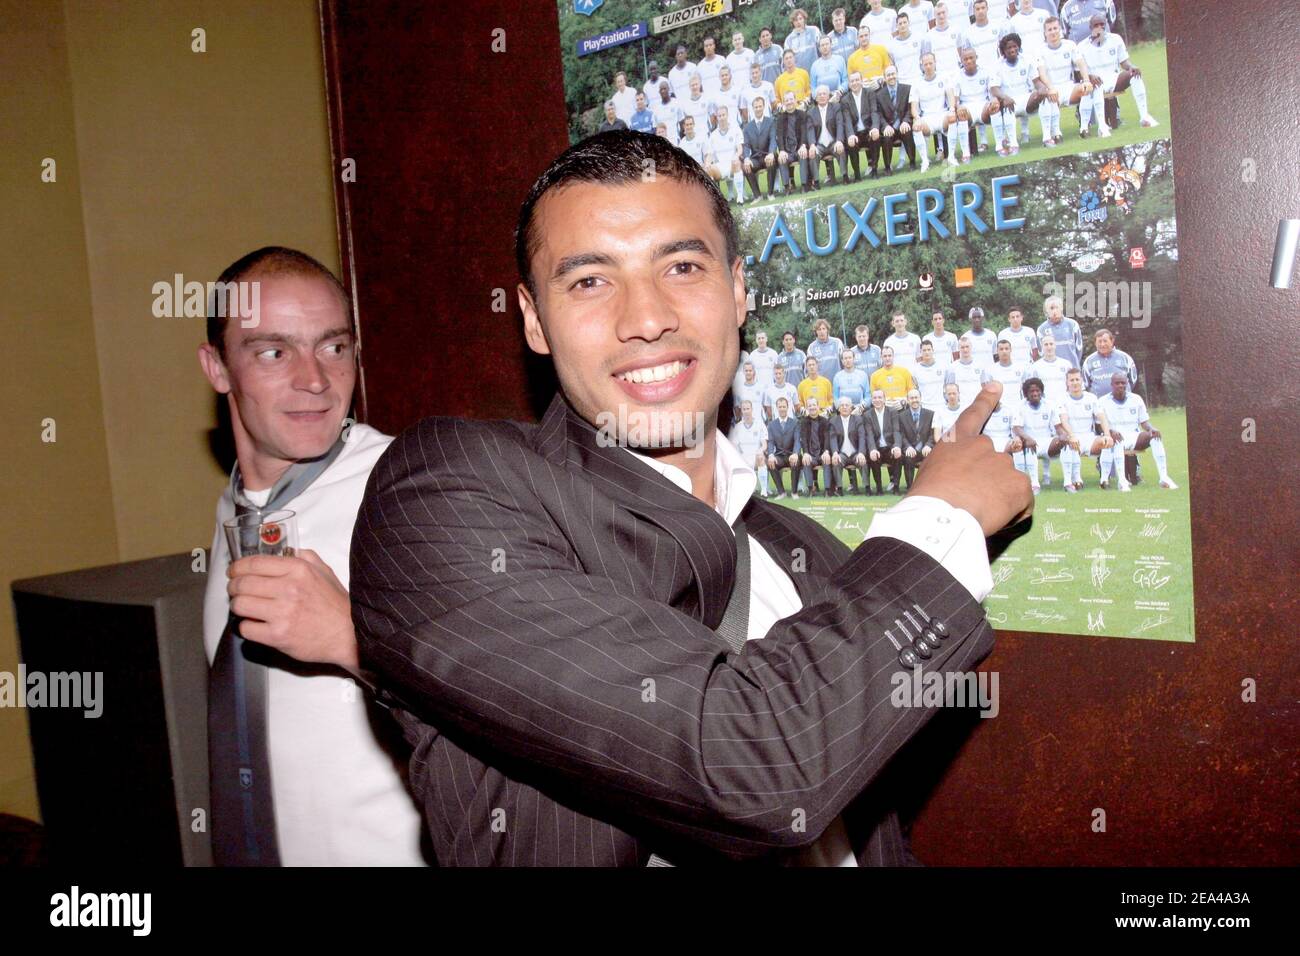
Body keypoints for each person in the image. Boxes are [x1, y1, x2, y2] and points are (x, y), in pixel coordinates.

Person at [348, 131, 1030, 865]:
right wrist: (944, 515)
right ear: (533, 320)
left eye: (681, 265)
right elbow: (755, 761)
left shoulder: (810, 555)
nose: (645, 318)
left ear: (738, 289)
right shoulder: (443, 491)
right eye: (589, 281)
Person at [198, 246, 425, 866]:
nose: (315, 379)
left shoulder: (413, 490)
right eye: (274, 352)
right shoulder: (238, 509)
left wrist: (353, 641)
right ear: (217, 368)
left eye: (334, 347)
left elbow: (505, 707)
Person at [1098, 373, 1178, 490]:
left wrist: (1152, 429)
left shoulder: (1136, 399)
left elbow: (1144, 423)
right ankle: (1122, 481)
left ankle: (1164, 477)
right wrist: (1110, 432)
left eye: (1123, 383)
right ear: (1111, 385)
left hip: (1134, 436)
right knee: (1118, 440)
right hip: (1114, 436)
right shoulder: (1103, 401)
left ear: (1127, 384)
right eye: (1117, 383)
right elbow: (1099, 425)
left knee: (1155, 437)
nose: (1120, 385)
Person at [1078, 14, 1158, 129]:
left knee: (1134, 75)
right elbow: (1079, 72)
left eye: (1102, 24)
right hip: (1095, 83)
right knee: (1095, 86)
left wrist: (1131, 67)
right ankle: (1101, 126)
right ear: (1090, 28)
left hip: (1114, 79)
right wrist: (1090, 77)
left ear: (1106, 25)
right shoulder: (1082, 46)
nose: (1099, 27)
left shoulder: (1115, 39)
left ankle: (1144, 116)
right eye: (1096, 25)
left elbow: (1124, 62)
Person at [1036, 16, 1098, 144]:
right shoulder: (1040, 50)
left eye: (1055, 28)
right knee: (1048, 96)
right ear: (1045, 33)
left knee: (1086, 89)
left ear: (1060, 30)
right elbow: (1042, 73)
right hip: (1053, 88)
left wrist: (1086, 80)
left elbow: (1081, 63)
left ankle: (1084, 128)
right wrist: (1050, 87)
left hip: (1069, 87)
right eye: (1049, 29)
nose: (1053, 32)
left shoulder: (1070, 45)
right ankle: (1056, 133)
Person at [1058, 368, 1114, 491]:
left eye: (1077, 379)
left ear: (1082, 380)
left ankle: (1104, 480)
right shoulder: (1062, 399)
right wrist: (1072, 435)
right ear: (1067, 382)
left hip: (1089, 437)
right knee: (1071, 444)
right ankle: (1077, 480)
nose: (1075, 382)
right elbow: (1064, 420)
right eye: (1071, 380)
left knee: (1106, 442)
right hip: (1073, 436)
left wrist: (1107, 434)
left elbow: (1102, 417)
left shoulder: (1091, 398)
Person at [989, 31, 1045, 153]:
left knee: (1044, 96)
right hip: (1008, 99)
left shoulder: (1027, 60)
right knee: (1007, 105)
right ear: (1003, 50)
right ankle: (1013, 143)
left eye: (1015, 46)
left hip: (1026, 98)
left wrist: (1042, 89)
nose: (1012, 49)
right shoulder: (997, 65)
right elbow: (994, 88)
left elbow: (1036, 81)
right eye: (1009, 47)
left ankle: (1049, 137)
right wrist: (1004, 97)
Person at [1012, 376, 1066, 492]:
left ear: (1041, 391)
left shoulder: (1049, 405)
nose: (1035, 393)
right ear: (1026, 394)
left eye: (1037, 390)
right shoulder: (1020, 406)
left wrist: (1063, 436)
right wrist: (1028, 438)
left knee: (1065, 442)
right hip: (1029, 441)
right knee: (1029, 446)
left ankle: (1070, 482)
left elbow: (1058, 427)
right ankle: (1034, 484)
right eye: (1032, 391)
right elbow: (1017, 428)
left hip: (1046, 441)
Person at [909, 51, 953, 170]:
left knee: (952, 118)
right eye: (925, 64)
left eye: (930, 63)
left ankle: (951, 157)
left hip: (942, 114)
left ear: (935, 63)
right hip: (927, 118)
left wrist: (952, 109)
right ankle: (925, 161)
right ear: (922, 66)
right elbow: (914, 107)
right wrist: (916, 118)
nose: (928, 66)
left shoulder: (944, 77)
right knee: (916, 126)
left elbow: (950, 96)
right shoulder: (916, 83)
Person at [871, 65, 918, 172]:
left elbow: (909, 109)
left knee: (907, 131)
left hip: (903, 125)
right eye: (888, 75)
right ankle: (887, 167)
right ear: (884, 77)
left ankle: (912, 162)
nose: (891, 77)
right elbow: (879, 114)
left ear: (897, 74)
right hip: (889, 127)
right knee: (886, 137)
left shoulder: (907, 89)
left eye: (893, 74)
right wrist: (886, 126)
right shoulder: (879, 95)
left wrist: (906, 121)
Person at [861, 388, 903, 494]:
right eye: (874, 398)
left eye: (880, 397)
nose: (877, 400)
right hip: (877, 447)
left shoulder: (892, 412)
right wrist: (872, 449)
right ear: (872, 400)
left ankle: (896, 487)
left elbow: (896, 431)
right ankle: (879, 488)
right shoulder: (867, 415)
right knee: (873, 458)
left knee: (898, 455)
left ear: (884, 399)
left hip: (890, 447)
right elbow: (869, 434)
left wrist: (897, 446)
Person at [839, 71, 878, 182]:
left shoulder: (869, 93)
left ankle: (874, 169)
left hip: (868, 130)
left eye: (857, 80)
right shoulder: (845, 100)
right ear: (849, 84)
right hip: (855, 132)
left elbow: (874, 112)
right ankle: (857, 175)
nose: (855, 83)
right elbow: (846, 119)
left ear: (861, 81)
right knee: (850, 144)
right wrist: (850, 135)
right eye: (852, 81)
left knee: (876, 137)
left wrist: (875, 127)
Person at [807, 85, 847, 186]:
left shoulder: (835, 107)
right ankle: (815, 182)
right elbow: (810, 130)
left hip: (833, 142)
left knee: (840, 149)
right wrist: (812, 145)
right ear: (816, 98)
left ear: (828, 96)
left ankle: (845, 176)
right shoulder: (811, 112)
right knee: (813, 153)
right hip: (819, 145)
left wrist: (839, 140)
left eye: (824, 94)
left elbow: (839, 124)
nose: (822, 96)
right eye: (819, 94)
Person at [896, 388, 936, 489]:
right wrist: (908, 447)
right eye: (911, 398)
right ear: (908, 400)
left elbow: (932, 434)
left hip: (925, 448)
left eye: (916, 397)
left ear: (920, 398)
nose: (914, 400)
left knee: (930, 458)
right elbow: (901, 434)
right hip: (911, 449)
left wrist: (928, 445)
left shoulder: (930, 414)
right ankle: (910, 487)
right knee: (908, 458)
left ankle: (928, 486)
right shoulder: (901, 416)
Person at [829, 393, 868, 495]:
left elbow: (862, 437)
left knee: (863, 461)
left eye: (847, 405)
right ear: (838, 408)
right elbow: (832, 438)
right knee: (836, 461)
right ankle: (839, 489)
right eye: (842, 405)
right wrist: (835, 453)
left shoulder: (858, 419)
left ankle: (867, 487)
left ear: (851, 407)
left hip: (855, 452)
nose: (844, 407)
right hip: (842, 453)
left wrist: (861, 453)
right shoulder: (833, 421)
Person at [728, 400, 770, 497]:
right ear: (741, 411)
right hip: (743, 457)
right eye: (744, 409)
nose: (746, 411)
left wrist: (760, 450)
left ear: (752, 409)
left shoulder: (760, 424)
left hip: (756, 456)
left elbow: (764, 444)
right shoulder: (738, 427)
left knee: (760, 457)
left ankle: (764, 490)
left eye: (748, 409)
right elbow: (734, 445)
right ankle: (745, 490)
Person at [706, 105, 746, 202]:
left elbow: (740, 148)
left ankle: (740, 197)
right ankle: (715, 201)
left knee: (736, 162)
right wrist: (707, 163)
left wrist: (736, 156)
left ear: (727, 115)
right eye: (719, 116)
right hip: (720, 166)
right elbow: (710, 154)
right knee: (707, 169)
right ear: (717, 118)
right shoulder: (713, 135)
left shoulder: (735, 129)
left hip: (732, 163)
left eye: (723, 115)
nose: (721, 118)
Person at [775, 89, 813, 192]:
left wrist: (803, 146)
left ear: (795, 100)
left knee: (803, 154)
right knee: (781, 158)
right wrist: (782, 150)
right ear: (783, 103)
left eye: (791, 99)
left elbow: (805, 132)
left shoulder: (802, 114)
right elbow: (779, 135)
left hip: (799, 148)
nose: (789, 102)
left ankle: (805, 185)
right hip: (788, 151)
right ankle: (787, 187)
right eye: (786, 100)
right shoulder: (780, 118)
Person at [1082, 327, 1137, 397]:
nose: (1102, 344)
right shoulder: (1088, 361)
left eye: (1105, 341)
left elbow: (1133, 380)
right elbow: (1086, 384)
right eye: (1099, 341)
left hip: (1123, 403)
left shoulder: (1125, 358)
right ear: (1095, 343)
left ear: (1112, 341)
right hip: (1099, 404)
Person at [765, 397, 803, 498]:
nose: (782, 409)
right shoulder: (772, 425)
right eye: (780, 407)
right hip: (780, 456)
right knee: (771, 463)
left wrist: (795, 453)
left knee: (796, 461)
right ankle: (781, 492)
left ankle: (794, 492)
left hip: (791, 454)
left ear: (788, 407)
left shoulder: (795, 422)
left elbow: (797, 440)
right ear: (776, 408)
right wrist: (771, 455)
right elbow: (771, 442)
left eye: (784, 406)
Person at [1038, 293, 1084, 368]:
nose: (1054, 311)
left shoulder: (1072, 325)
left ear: (1062, 308)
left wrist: (1074, 365)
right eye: (1051, 308)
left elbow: (1079, 349)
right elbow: (1041, 353)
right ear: (1047, 310)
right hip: (1052, 371)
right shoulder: (1041, 329)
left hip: (1072, 370)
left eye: (1057, 307)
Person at [944, 336, 991, 409]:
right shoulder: (952, 367)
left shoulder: (980, 365)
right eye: (962, 347)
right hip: (960, 407)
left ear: (971, 347)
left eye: (967, 347)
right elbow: (949, 389)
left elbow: (985, 386)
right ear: (958, 348)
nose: (965, 350)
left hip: (977, 405)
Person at [988, 339, 1027, 413]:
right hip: (999, 409)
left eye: (1006, 349)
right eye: (1001, 349)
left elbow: (1025, 389)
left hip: (1017, 408)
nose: (1004, 351)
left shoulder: (1021, 368)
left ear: (1011, 350)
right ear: (997, 351)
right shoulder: (991, 370)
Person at [889, 11, 927, 87]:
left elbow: (924, 58)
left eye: (904, 22)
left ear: (909, 23)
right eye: (900, 23)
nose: (902, 25)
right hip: (902, 82)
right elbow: (892, 64)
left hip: (918, 79)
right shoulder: (892, 45)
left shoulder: (919, 38)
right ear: (896, 26)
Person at [784, 7, 822, 73]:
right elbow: (787, 60)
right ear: (792, 22)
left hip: (816, 71)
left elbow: (822, 49)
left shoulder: (814, 30)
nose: (798, 22)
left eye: (800, 19)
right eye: (795, 20)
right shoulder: (789, 40)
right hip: (799, 75)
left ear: (804, 19)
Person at [912, 339, 948, 410]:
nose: (927, 352)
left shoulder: (943, 366)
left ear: (933, 350)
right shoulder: (915, 369)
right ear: (920, 352)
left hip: (941, 405)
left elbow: (947, 386)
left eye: (929, 349)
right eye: (924, 350)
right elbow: (915, 389)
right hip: (923, 406)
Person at [651, 80, 682, 145]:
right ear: (659, 92)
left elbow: (681, 123)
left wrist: (681, 139)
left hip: (675, 140)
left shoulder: (676, 103)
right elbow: (654, 128)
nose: (663, 91)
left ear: (669, 89)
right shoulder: (656, 108)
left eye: (664, 89)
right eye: (661, 90)